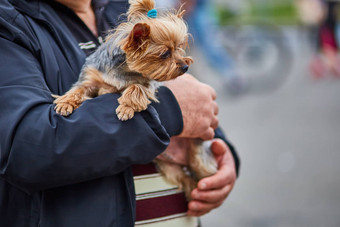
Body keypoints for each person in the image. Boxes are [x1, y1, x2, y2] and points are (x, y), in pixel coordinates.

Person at [0, 0, 239, 227]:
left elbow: (192, 107)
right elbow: (25, 148)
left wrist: (220, 153)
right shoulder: (9, 23)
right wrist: (165, 111)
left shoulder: (127, 8)